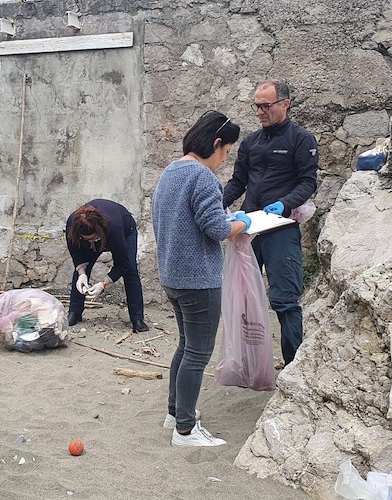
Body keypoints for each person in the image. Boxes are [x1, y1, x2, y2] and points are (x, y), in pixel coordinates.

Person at [152, 110, 251, 447]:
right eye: (226, 152)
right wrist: (244, 222)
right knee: (197, 352)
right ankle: (185, 429)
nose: (224, 160)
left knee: (185, 346)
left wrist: (228, 217)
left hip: (173, 276)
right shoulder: (202, 176)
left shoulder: (171, 171)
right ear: (216, 143)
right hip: (198, 279)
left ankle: (174, 413)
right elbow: (217, 229)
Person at [223, 79, 319, 366]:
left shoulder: (301, 139)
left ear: (285, 104)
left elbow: (307, 182)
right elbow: (238, 181)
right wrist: (218, 200)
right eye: (257, 106)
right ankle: (248, 364)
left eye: (266, 106)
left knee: (285, 299)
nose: (260, 112)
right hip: (249, 227)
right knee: (243, 300)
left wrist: (286, 204)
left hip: (280, 227)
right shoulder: (251, 142)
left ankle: (293, 367)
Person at [65, 199, 149, 333]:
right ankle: (74, 312)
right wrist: (82, 274)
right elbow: (76, 253)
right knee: (82, 271)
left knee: (131, 271)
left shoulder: (115, 228)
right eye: (87, 240)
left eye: (93, 239)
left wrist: (103, 284)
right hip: (94, 234)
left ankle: (137, 319)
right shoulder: (72, 225)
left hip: (126, 230)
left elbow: (123, 264)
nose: (91, 242)